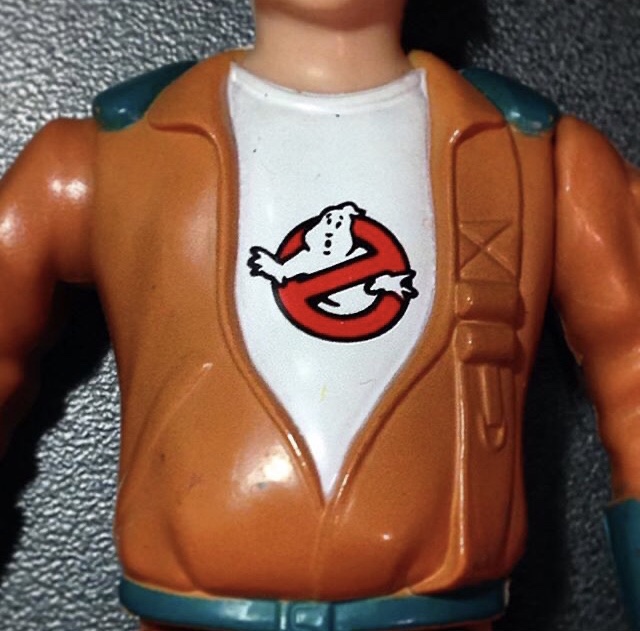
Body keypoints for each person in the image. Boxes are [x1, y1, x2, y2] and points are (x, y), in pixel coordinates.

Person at [0, 0, 638, 629]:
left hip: (434, 610)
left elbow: (631, 368)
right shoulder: (108, 156)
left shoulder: (538, 159)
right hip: (196, 609)